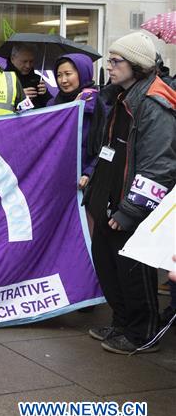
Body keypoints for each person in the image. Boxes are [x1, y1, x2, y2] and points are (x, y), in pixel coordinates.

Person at [82, 31, 176, 355]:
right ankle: (122, 323)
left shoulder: (154, 103)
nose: (109, 65)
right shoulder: (121, 96)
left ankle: (142, 333)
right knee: (110, 269)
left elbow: (159, 166)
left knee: (134, 274)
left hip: (130, 207)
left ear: (136, 65)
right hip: (108, 200)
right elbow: (111, 150)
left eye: (115, 60)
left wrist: (129, 211)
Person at [49, 53, 106, 190]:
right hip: (56, 178)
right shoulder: (52, 104)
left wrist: (89, 172)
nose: (63, 80)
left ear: (82, 73)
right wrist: (71, 110)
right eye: (59, 75)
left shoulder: (96, 104)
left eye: (68, 74)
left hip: (86, 181)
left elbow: (105, 143)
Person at [7, 43, 51, 108]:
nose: (28, 66)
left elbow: (49, 105)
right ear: (12, 59)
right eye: (24, 61)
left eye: (31, 61)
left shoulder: (37, 79)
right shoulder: (3, 79)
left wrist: (45, 93)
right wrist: (19, 96)